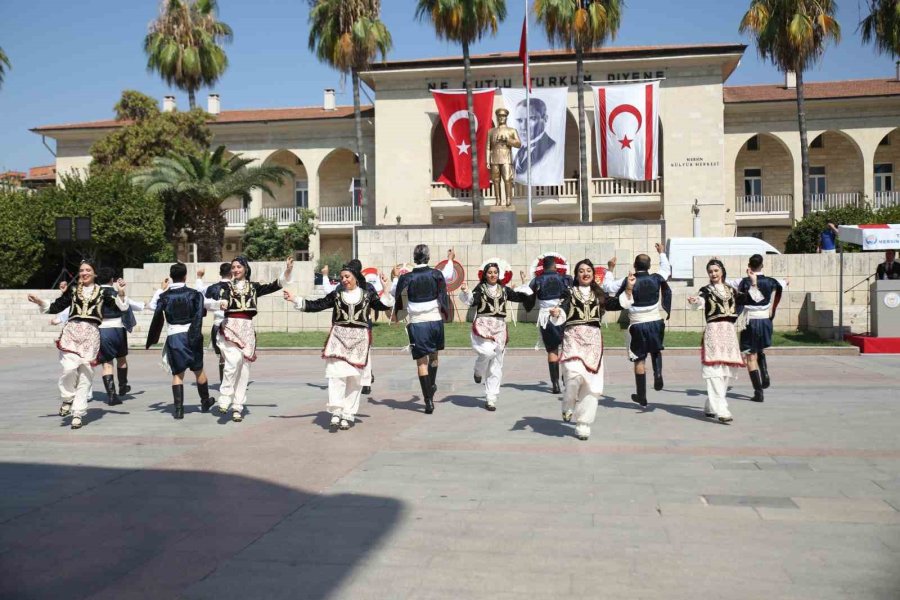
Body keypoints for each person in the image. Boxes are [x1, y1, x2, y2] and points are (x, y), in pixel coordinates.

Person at [285, 264, 394, 431]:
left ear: (356, 277)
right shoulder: (337, 294)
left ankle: (348, 414)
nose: (344, 280)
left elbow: (383, 305)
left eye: (347, 277)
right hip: (338, 340)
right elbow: (318, 305)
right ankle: (336, 412)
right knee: (336, 376)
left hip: (359, 342)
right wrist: (295, 299)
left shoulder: (367, 295)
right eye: (342, 277)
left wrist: (386, 288)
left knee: (354, 379)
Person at [27, 260, 130, 429]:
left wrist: (121, 293)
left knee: (85, 375)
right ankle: (68, 398)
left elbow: (121, 308)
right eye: (82, 270)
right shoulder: (73, 290)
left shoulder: (102, 293)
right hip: (72, 334)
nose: (84, 273)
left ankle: (78, 413)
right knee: (69, 368)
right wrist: (39, 301)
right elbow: (56, 306)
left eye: (88, 270)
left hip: (91, 336)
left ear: (95, 273)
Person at [548, 260, 634, 441]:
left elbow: (616, 303)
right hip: (573, 339)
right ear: (576, 274)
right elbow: (563, 308)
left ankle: (583, 424)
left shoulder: (599, 294)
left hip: (593, 342)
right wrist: (557, 314)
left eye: (588, 270)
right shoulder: (570, 293)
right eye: (581, 271)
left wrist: (628, 289)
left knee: (591, 384)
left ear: (593, 274)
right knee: (573, 375)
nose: (585, 273)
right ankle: (568, 403)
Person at [215, 256, 294, 422]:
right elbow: (221, 297)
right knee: (232, 362)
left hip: (247, 329)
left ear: (245, 268)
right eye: (233, 267)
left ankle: (237, 407)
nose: (235, 270)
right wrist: (222, 303)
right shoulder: (226, 286)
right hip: (230, 326)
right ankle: (225, 397)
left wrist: (287, 270)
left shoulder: (254, 287)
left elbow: (275, 285)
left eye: (238, 267)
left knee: (244, 369)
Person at [687, 260, 760, 423]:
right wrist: (695, 301)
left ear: (722, 271)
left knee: (726, 371)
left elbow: (752, 299)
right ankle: (722, 409)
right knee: (714, 371)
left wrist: (754, 283)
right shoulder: (706, 290)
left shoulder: (731, 290)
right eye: (710, 271)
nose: (713, 274)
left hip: (729, 331)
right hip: (713, 331)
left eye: (715, 270)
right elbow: (700, 301)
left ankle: (710, 405)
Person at [146, 263, 221, 419]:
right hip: (192, 334)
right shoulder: (194, 294)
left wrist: (161, 289)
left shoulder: (164, 296)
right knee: (198, 370)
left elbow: (153, 306)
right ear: (185, 276)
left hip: (174, 336)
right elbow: (202, 310)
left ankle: (179, 410)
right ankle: (205, 401)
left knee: (178, 374)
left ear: (171, 277)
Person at [458, 260, 534, 411]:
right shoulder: (481, 288)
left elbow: (520, 297)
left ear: (499, 274)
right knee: (486, 352)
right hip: (483, 326)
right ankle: (478, 370)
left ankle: (491, 397)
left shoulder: (504, 289)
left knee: (496, 363)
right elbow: (472, 301)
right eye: (490, 272)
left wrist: (525, 283)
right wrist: (466, 291)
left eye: (495, 272)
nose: (493, 275)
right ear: (485, 275)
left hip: (499, 328)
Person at [604, 243, 672, 407]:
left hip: (638, 324)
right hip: (656, 321)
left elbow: (607, 287)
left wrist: (610, 269)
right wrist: (662, 253)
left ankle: (642, 396)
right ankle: (658, 375)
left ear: (635, 265)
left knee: (639, 359)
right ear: (649, 266)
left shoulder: (629, 280)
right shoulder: (657, 277)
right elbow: (666, 270)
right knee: (656, 350)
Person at [391, 244, 452, 414]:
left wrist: (396, 278)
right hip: (435, 321)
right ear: (428, 257)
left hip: (418, 323)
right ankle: (431, 385)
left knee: (421, 362)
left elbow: (394, 293)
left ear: (414, 258)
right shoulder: (436, 274)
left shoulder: (407, 277)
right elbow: (444, 286)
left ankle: (428, 402)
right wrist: (450, 260)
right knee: (434, 356)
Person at [728, 254, 785, 402]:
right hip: (765, 320)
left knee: (750, 356)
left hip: (750, 321)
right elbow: (785, 283)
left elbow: (725, 282)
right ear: (762, 265)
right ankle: (764, 373)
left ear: (749, 265)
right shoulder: (771, 281)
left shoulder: (743, 281)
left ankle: (758, 391)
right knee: (760, 349)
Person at [527, 255, 573, 394]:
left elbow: (528, 300)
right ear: (555, 266)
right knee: (566, 348)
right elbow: (570, 293)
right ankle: (566, 378)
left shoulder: (537, 280)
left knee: (552, 350)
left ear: (543, 266)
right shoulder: (565, 278)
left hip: (545, 316)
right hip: (562, 313)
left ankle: (555, 385)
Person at [202, 263, 233, 383]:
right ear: (231, 273)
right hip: (233, 325)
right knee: (234, 354)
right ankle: (233, 381)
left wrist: (199, 278)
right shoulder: (236, 287)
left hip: (217, 324)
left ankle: (223, 383)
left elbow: (203, 301)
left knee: (222, 356)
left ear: (220, 273)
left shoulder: (211, 288)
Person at [513, 97, 557, 176]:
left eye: (531, 118)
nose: (523, 126)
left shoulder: (551, 147)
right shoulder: (519, 151)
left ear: (545, 119)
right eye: (519, 120)